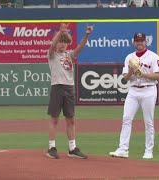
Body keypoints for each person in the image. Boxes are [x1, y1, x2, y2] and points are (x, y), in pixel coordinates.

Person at [109, 32, 159, 159]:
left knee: (148, 122)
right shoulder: (129, 57)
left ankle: (148, 151)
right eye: (137, 40)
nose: (140, 43)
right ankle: (123, 149)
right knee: (126, 119)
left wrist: (142, 74)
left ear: (145, 42)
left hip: (148, 90)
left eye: (142, 40)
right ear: (134, 42)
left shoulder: (153, 56)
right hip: (133, 90)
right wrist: (131, 71)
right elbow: (125, 79)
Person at [46, 23, 94, 159]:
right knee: (54, 119)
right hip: (57, 87)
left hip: (69, 88)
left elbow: (81, 47)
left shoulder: (69, 55)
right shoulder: (52, 55)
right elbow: (52, 46)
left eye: (65, 42)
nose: (63, 44)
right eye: (61, 41)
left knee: (71, 119)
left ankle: (72, 148)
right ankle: (51, 147)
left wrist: (87, 34)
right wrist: (60, 32)